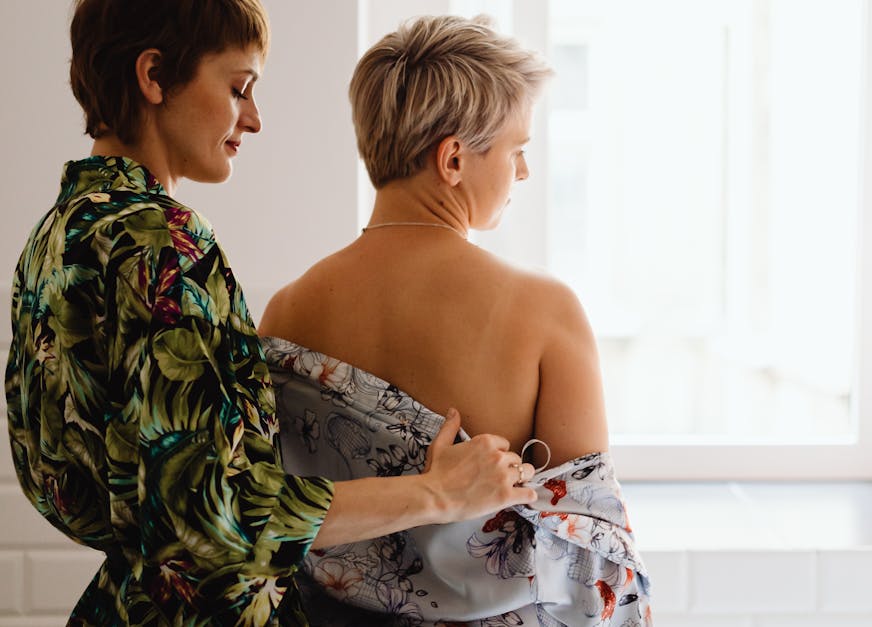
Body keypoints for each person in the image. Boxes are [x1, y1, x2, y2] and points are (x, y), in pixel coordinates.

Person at [4, 1, 537, 624]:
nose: (253, 119)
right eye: (238, 88)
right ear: (153, 77)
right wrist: (436, 492)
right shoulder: (164, 246)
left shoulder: (55, 237)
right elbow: (213, 518)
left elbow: (63, 488)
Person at [256, 14, 651, 625]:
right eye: (517, 149)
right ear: (453, 160)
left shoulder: (287, 310)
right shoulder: (544, 313)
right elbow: (593, 565)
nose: (522, 172)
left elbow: (273, 522)